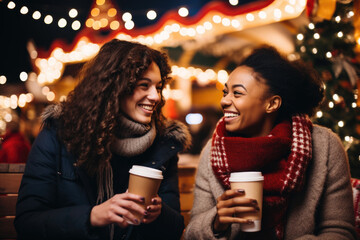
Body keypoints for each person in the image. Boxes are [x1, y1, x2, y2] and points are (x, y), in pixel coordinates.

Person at [15, 39, 191, 240]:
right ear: (114, 87)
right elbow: (27, 222)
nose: (155, 96)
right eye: (144, 85)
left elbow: (175, 229)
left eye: (158, 87)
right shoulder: (60, 134)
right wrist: (92, 216)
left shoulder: (163, 144)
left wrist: (159, 215)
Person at [184, 46, 356, 239]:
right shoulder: (213, 150)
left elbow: (341, 232)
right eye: (225, 93)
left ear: (272, 104)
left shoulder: (325, 146)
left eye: (237, 93)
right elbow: (192, 232)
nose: (224, 101)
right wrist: (216, 222)